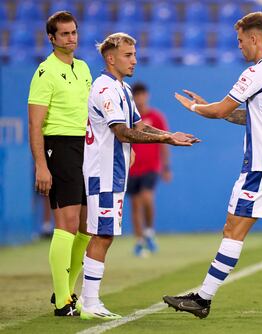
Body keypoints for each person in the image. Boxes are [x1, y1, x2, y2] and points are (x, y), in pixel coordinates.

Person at [163, 12, 262, 321]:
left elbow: (223, 109)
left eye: (240, 41)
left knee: (232, 229)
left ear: (253, 38)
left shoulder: (256, 72)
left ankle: (203, 298)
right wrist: (212, 106)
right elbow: (247, 117)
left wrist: (196, 107)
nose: (238, 47)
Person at [80, 32, 199, 320]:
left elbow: (139, 124)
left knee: (104, 234)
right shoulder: (105, 89)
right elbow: (122, 132)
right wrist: (166, 141)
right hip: (103, 172)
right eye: (128, 55)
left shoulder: (123, 88)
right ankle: (90, 303)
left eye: (134, 54)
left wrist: (170, 134)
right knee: (102, 234)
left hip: (115, 171)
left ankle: (88, 300)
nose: (134, 60)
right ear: (111, 58)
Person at [28, 11, 92, 316]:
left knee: (86, 227)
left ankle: (64, 291)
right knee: (65, 225)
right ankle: (65, 301)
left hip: (85, 148)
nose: (71, 38)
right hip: (60, 147)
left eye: (74, 32)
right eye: (64, 34)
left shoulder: (83, 68)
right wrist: (41, 165)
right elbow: (35, 124)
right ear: (51, 39)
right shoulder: (45, 72)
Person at [127, 82, 171, 256]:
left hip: (151, 167)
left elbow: (165, 142)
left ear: (147, 96)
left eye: (142, 95)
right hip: (131, 168)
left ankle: (150, 231)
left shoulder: (156, 117)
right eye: (136, 95)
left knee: (147, 197)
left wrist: (166, 167)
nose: (139, 98)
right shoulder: (128, 119)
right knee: (135, 204)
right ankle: (139, 241)